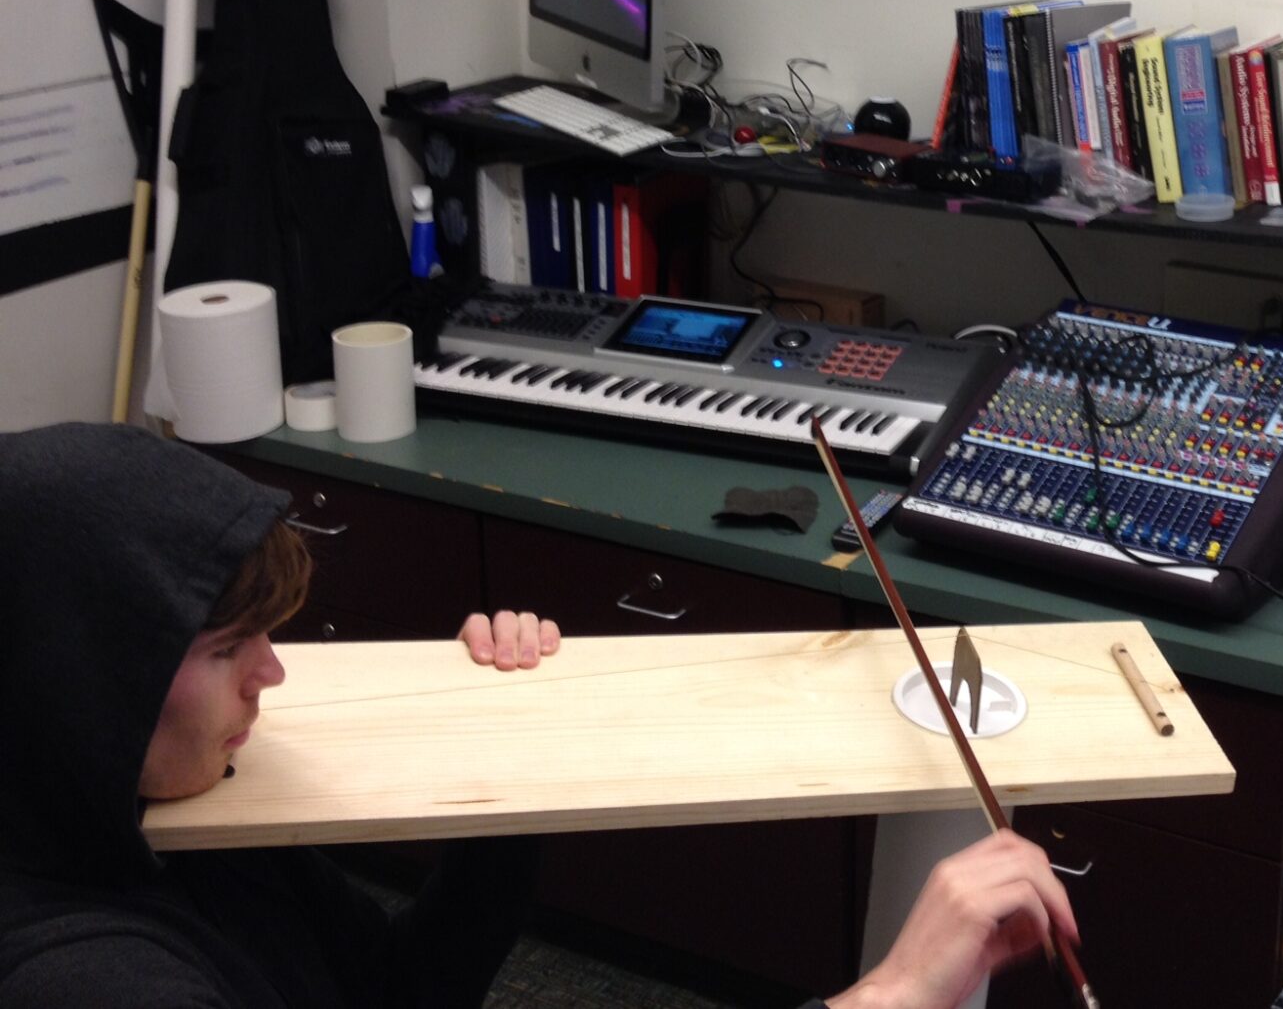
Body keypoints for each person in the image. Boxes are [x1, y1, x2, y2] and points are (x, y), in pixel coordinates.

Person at [0, 424, 1077, 1008]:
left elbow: (403, 992)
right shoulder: (78, 972)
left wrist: (506, 775)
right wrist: (895, 990)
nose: (272, 678)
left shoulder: (155, 814)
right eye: (229, 647)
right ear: (84, 668)